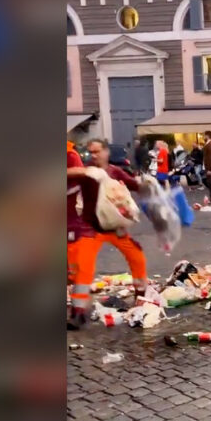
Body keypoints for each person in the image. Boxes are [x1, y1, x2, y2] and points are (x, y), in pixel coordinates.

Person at [67, 138, 148, 329]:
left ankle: (141, 298)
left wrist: (148, 185)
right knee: (83, 270)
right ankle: (77, 313)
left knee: (137, 258)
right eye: (91, 152)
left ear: (106, 152)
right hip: (90, 228)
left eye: (97, 151)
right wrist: (86, 171)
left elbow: (132, 184)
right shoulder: (87, 172)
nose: (94, 155)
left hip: (115, 227)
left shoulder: (115, 171)